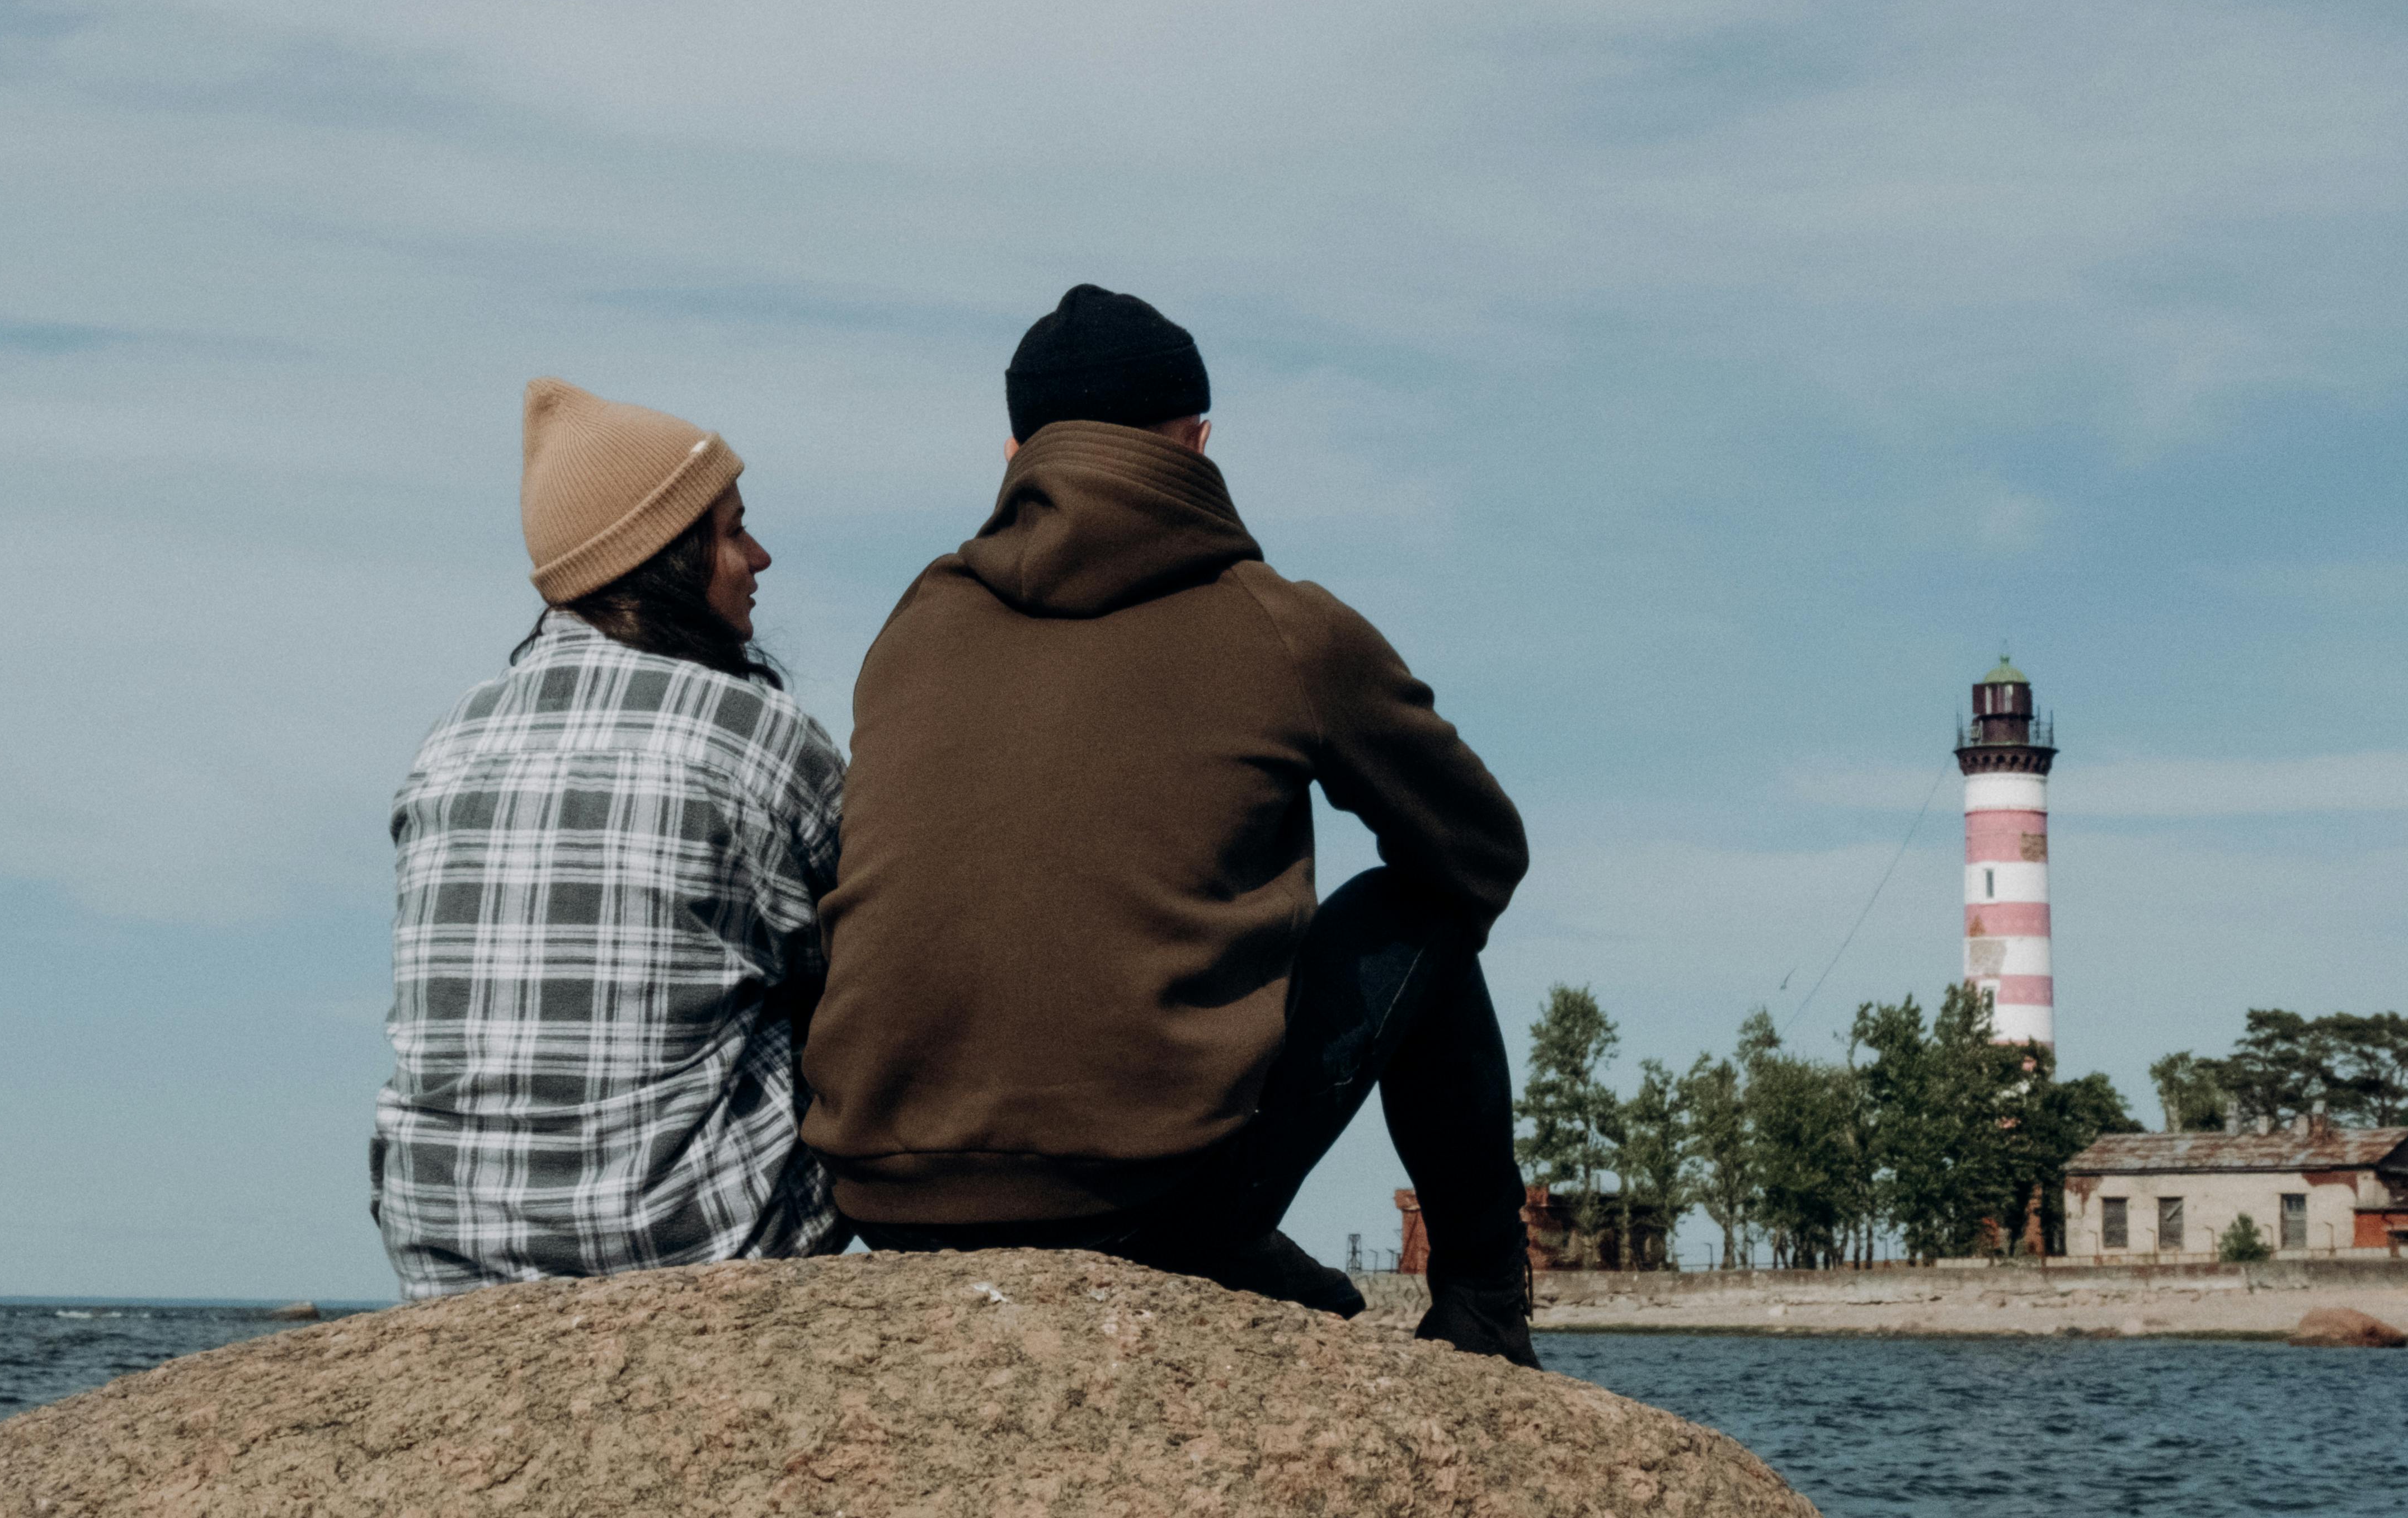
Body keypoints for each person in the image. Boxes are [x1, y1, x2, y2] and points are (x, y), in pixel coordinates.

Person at [802, 285, 1540, 1364]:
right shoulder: (1280, 622)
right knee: (1416, 904)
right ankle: (1483, 1312)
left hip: (887, 1195)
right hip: (1150, 1204)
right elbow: (1481, 852)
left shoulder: (917, 619)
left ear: (1013, 451)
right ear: (1198, 442)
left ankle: (1246, 1251)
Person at [371, 377, 848, 1299]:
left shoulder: (450, 739)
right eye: (732, 529)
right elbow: (870, 962)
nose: (760, 555)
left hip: (444, 1254)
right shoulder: (754, 732)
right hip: (689, 1247)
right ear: (667, 556)